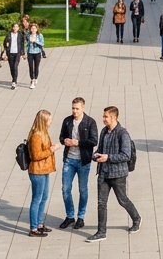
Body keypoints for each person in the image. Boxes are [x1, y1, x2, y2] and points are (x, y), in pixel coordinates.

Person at [88, 105, 140, 242]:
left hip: (118, 175)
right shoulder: (104, 131)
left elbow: (126, 155)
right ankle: (101, 232)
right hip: (103, 174)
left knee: (122, 200)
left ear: (114, 117)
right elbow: (100, 148)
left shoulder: (123, 133)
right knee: (101, 203)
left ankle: (136, 218)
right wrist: (96, 155)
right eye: (103, 116)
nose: (103, 119)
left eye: (106, 117)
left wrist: (108, 157)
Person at [59, 97, 98, 230]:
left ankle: (81, 217)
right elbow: (61, 137)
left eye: (77, 108)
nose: (74, 111)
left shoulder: (90, 122)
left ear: (83, 108)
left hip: (83, 161)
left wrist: (78, 143)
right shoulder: (67, 121)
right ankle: (70, 216)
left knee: (82, 189)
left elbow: (94, 141)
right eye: (73, 108)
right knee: (65, 189)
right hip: (69, 160)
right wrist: (65, 141)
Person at [25, 109, 55, 237]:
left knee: (44, 197)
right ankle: (33, 228)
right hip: (37, 171)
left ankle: (40, 224)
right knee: (36, 199)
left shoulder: (43, 133)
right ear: (43, 121)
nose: (51, 122)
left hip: (44, 169)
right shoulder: (36, 135)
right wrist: (51, 149)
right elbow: (36, 155)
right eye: (49, 120)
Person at [4, 23, 25, 89]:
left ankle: (14, 81)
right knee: (11, 67)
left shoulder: (20, 35)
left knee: (15, 66)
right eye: (14, 27)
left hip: (17, 52)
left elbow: (22, 44)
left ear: (18, 28)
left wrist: (22, 53)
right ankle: (13, 77)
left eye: (17, 27)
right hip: (10, 52)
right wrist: (6, 45)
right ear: (12, 27)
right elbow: (5, 42)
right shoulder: (9, 34)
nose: (15, 28)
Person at [26, 23, 45, 90]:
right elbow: (26, 43)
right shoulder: (28, 35)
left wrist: (35, 41)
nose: (33, 30)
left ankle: (36, 77)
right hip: (30, 52)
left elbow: (42, 43)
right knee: (31, 66)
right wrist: (29, 42)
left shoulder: (39, 35)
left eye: (34, 28)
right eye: (32, 28)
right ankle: (32, 80)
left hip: (37, 52)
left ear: (37, 29)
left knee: (36, 66)